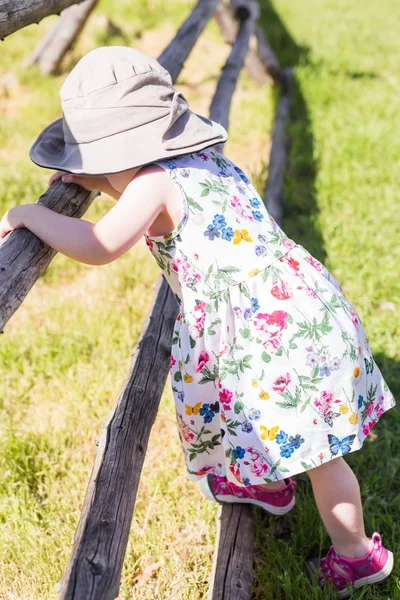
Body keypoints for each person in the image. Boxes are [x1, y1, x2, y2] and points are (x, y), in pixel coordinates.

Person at [0, 46, 395, 597]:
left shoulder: (151, 184)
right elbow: (128, 185)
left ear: (117, 150)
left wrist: (28, 215)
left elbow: (99, 244)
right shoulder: (204, 157)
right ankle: (268, 484)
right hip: (298, 309)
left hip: (266, 337)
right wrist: (93, 178)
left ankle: (357, 557)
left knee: (323, 459)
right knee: (284, 424)